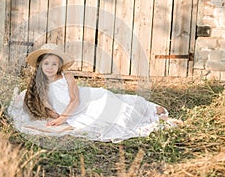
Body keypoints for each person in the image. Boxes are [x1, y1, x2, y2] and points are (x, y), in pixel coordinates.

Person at [19, 43, 182, 142]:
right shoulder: (40, 83)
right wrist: (51, 113)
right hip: (70, 113)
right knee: (101, 122)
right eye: (46, 63)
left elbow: (75, 100)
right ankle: (155, 118)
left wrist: (63, 118)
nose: (49, 67)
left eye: (54, 64)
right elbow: (44, 102)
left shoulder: (66, 76)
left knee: (116, 111)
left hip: (86, 101)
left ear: (59, 66)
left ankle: (159, 116)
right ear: (40, 65)